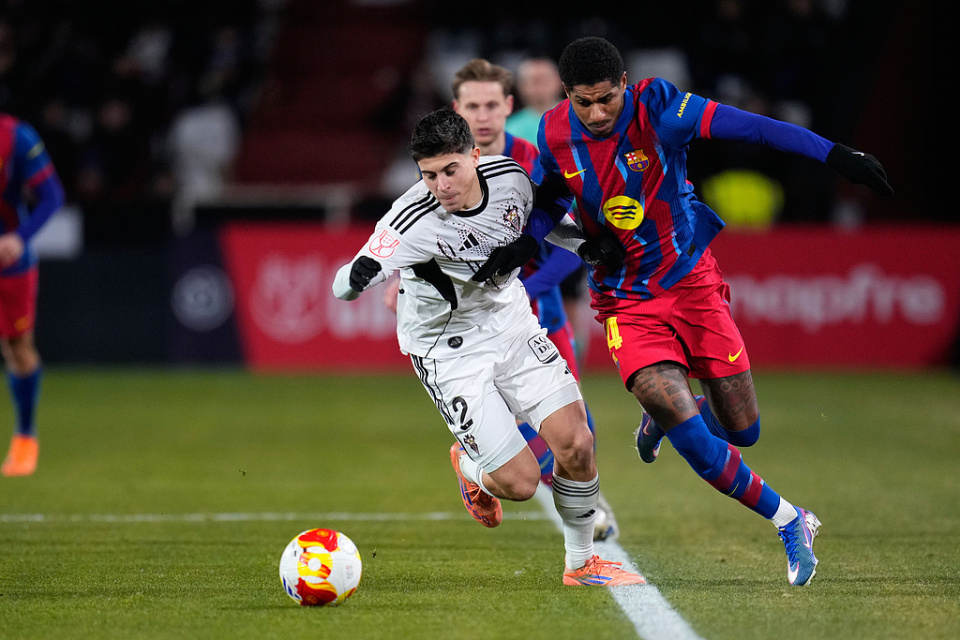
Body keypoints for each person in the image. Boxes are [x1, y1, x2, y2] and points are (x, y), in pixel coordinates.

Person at [473, 36, 893, 587]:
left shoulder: (661, 109)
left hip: (691, 283)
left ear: (625, 84)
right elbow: (551, 198)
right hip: (625, 298)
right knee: (681, 420)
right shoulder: (553, 132)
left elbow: (755, 128)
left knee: (742, 430)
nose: (596, 114)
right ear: (568, 95)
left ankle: (673, 415)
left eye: (606, 99)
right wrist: (530, 241)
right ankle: (790, 519)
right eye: (584, 102)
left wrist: (837, 155)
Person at [333, 106, 642, 586]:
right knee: (520, 483)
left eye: (450, 170)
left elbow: (539, 219)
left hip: (511, 325)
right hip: (448, 352)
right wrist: (357, 278)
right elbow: (345, 282)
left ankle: (581, 564)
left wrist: (582, 246)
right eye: (429, 175)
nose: (442, 185)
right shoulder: (411, 219)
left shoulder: (510, 178)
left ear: (475, 156)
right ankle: (469, 466)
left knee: (577, 443)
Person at [383, 58, 619, 540]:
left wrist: (527, 286)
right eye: (473, 106)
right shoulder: (440, 177)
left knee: (573, 421)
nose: (484, 115)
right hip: (469, 327)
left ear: (509, 107)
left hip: (534, 306)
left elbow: (567, 234)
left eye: (492, 104)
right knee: (513, 441)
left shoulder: (530, 159)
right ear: (458, 111)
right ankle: (492, 470)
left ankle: (592, 510)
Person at [0, 113, 66, 477]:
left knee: (18, 348)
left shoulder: (16, 138)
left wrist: (19, 238)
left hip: (9, 264)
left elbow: (52, 195)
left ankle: (25, 437)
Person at [505, 57, 564, 146]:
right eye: (534, 81)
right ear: (521, 86)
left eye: (545, 80)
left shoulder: (579, 116)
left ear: (559, 82)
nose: (540, 87)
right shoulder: (510, 128)